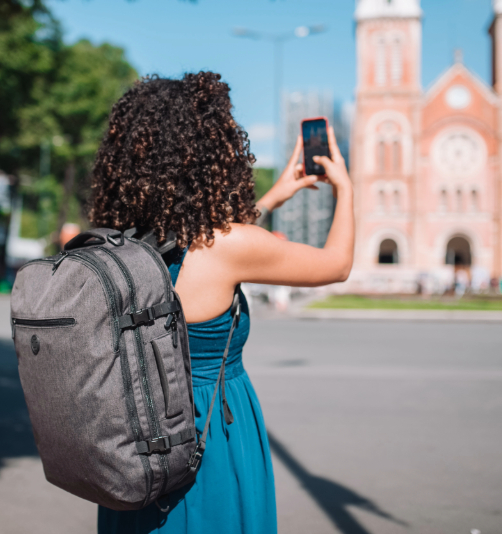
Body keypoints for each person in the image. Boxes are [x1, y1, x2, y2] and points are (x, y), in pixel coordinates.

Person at [91, 72, 354, 534]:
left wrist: (272, 198)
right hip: (208, 433)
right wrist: (346, 189)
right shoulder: (226, 246)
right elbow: (336, 264)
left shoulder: (118, 245)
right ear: (213, 152)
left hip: (135, 440)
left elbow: (200, 243)